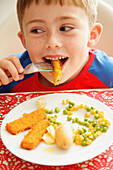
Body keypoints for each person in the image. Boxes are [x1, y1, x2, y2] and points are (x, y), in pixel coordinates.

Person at [0, 0, 113, 93]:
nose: (52, 42)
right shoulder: (12, 73)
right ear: (24, 40)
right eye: (37, 30)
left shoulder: (108, 74)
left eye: (65, 28)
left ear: (92, 35)